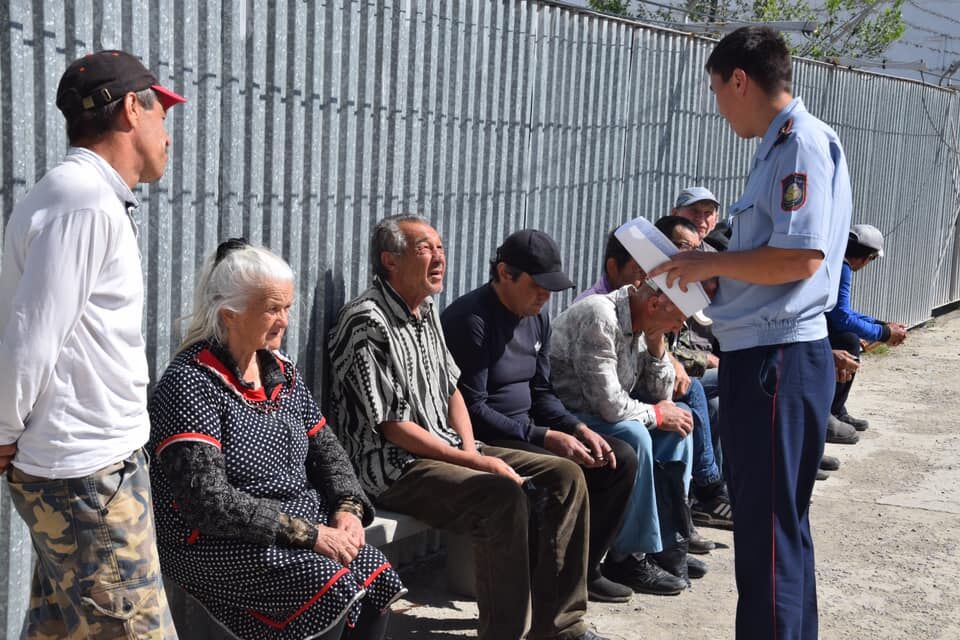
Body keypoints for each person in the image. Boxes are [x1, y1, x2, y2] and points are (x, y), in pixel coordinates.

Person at [649, 26, 852, 640]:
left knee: (768, 535)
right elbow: (770, 262)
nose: (719, 105)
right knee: (776, 533)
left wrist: (706, 262)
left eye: (718, 90)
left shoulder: (798, 145)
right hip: (764, 354)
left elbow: (800, 259)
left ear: (741, 79)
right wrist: (713, 281)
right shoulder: (778, 148)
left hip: (777, 359)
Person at [328, 214, 607, 640]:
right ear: (390, 260)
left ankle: (561, 625)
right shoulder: (367, 321)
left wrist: (473, 450)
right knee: (500, 495)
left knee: (564, 476)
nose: (439, 257)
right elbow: (394, 428)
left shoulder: (425, 312)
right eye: (426, 249)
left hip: (442, 448)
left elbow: (452, 389)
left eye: (440, 247)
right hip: (390, 467)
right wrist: (472, 461)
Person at [0, 50, 185, 638]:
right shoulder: (82, 201)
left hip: (89, 471)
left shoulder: (77, 196)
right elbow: (30, 339)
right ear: (132, 108)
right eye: (163, 113)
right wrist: (2, 434)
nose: (168, 134)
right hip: (88, 476)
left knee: (63, 630)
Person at [148, 241, 405, 640]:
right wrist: (311, 534)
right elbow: (208, 503)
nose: (284, 320)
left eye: (287, 307)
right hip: (212, 541)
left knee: (373, 576)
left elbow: (329, 451)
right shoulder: (191, 382)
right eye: (271, 309)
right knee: (330, 585)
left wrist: (348, 507)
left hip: (296, 525)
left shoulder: (281, 372)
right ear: (229, 316)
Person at [440, 229, 639, 604]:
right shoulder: (473, 320)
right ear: (504, 273)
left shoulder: (538, 318)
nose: (545, 296)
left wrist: (578, 429)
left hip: (528, 428)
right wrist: (545, 437)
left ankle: (583, 571)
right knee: (563, 470)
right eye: (537, 286)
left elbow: (542, 392)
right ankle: (547, 584)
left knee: (619, 458)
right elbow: (474, 408)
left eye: (551, 288)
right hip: (488, 436)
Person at [550, 280, 703, 596]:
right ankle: (627, 557)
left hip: (604, 416)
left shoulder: (644, 324)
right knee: (636, 436)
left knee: (678, 433)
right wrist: (658, 415)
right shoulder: (600, 316)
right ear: (654, 303)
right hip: (570, 418)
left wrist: (658, 343)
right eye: (679, 316)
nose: (682, 325)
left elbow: (661, 394)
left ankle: (667, 543)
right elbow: (608, 403)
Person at [653, 216, 732, 528]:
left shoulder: (687, 284)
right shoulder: (650, 283)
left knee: (733, 387)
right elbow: (660, 343)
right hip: (652, 376)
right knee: (709, 391)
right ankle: (710, 489)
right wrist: (701, 361)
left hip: (676, 371)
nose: (692, 257)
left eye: (696, 250)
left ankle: (732, 485)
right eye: (685, 247)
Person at [825, 224, 906, 437]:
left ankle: (835, 410)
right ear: (866, 257)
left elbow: (841, 311)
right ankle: (829, 413)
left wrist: (881, 325)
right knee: (849, 341)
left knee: (849, 337)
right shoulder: (842, 267)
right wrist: (884, 334)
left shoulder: (833, 259)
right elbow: (841, 318)